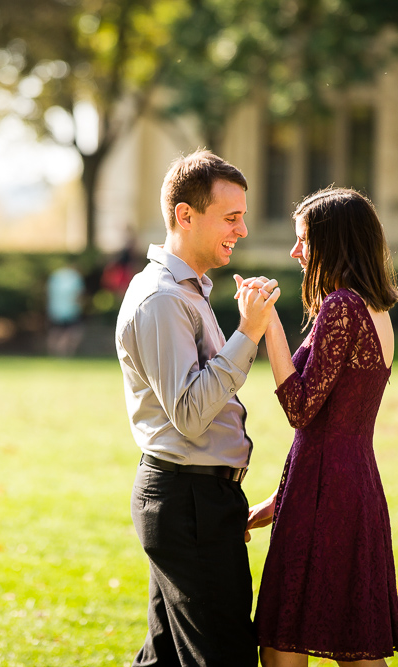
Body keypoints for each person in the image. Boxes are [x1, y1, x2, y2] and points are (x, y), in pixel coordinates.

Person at [115, 150, 280, 667]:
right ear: (185, 215)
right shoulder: (163, 298)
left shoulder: (188, 292)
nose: (244, 229)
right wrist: (247, 333)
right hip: (188, 502)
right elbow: (189, 413)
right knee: (224, 657)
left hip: (198, 500)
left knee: (164, 660)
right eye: (231, 218)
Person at [238, 187, 398, 666]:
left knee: (281, 645)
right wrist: (276, 503)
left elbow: (301, 409)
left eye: (303, 240)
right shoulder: (376, 312)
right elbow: (338, 427)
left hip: (325, 496)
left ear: (334, 243)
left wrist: (266, 324)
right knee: (355, 642)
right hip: (355, 492)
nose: (295, 252)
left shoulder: (341, 307)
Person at [46, 260, 86, 356]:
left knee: (55, 332)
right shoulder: (75, 278)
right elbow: (78, 295)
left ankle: (53, 353)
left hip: (55, 309)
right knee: (71, 332)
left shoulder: (55, 276)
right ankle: (63, 352)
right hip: (71, 310)